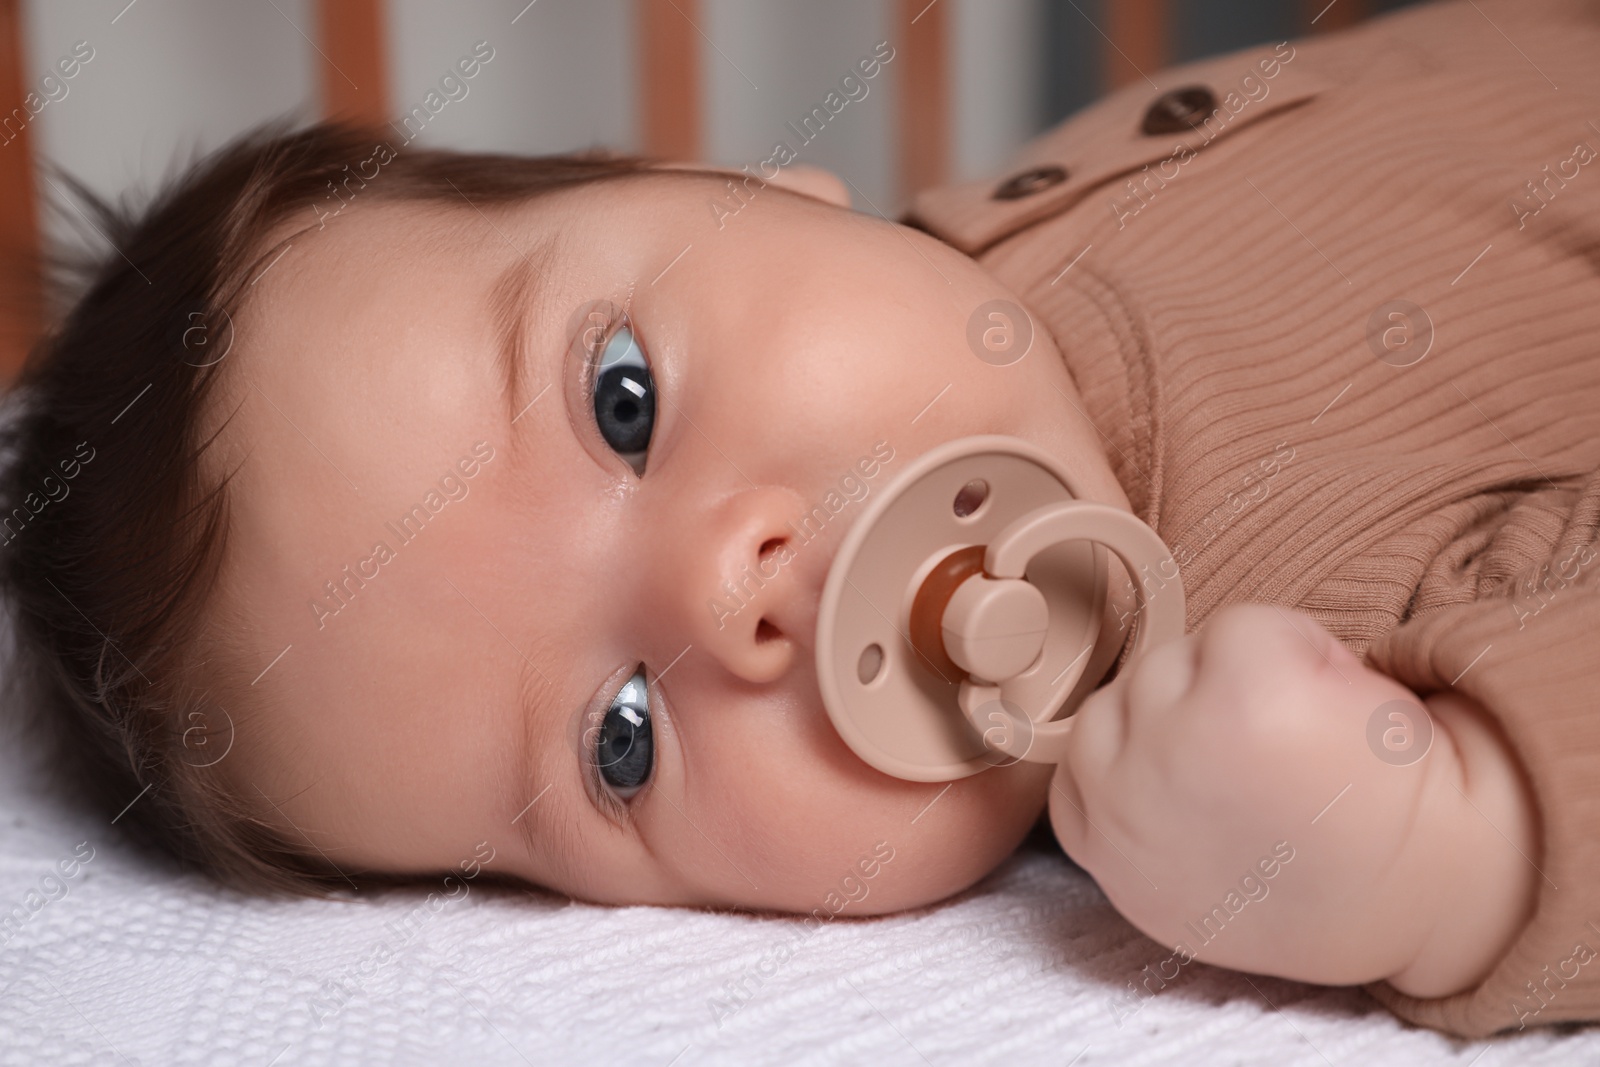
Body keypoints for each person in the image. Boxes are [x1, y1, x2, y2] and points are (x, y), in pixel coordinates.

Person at [3, 0, 1596, 1038]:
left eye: (621, 402)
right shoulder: (1310, 679)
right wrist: (1457, 843)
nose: (725, 596)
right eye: (618, 742)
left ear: (733, 185)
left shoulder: (974, 249)